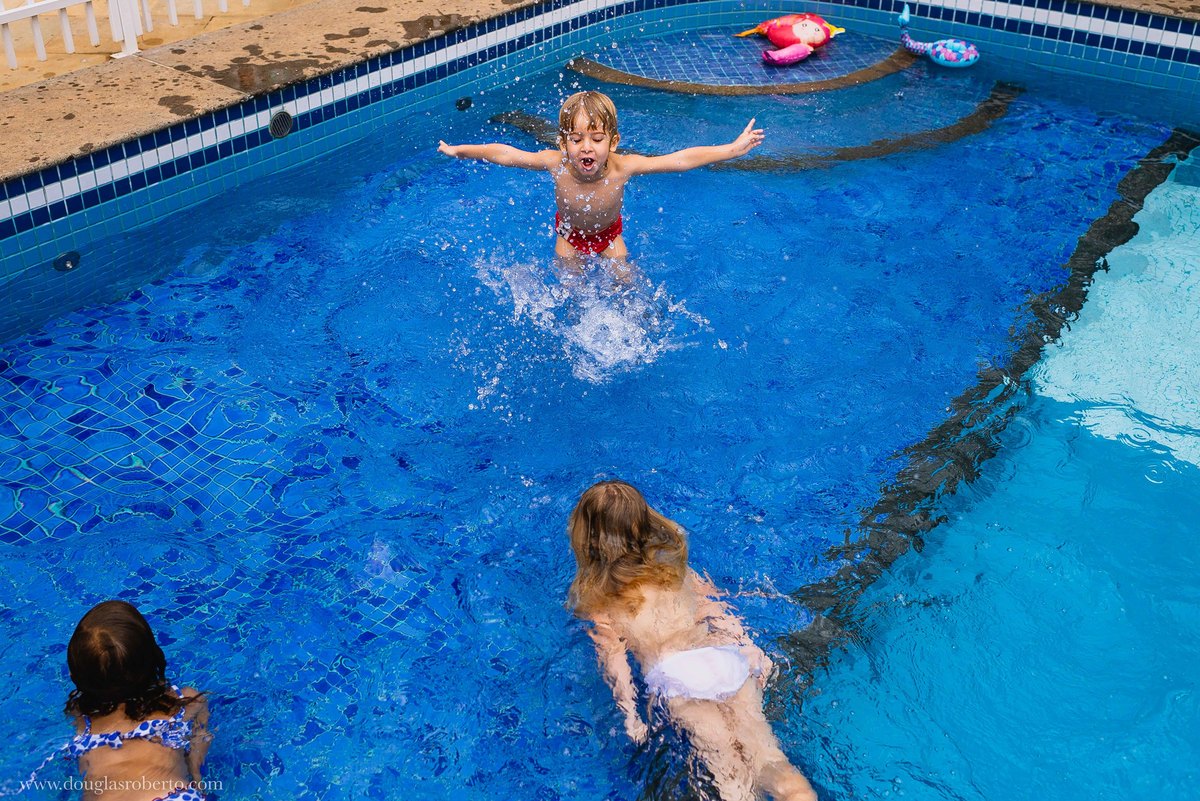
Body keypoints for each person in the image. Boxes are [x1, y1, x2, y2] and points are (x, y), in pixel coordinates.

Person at [566, 480, 817, 801]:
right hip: (723, 661)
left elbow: (614, 662)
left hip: (678, 675)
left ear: (588, 540)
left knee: (730, 775)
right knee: (770, 758)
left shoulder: (599, 602)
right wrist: (750, 648)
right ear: (642, 522)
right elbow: (717, 609)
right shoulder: (675, 571)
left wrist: (631, 716)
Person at [438, 90, 764, 263]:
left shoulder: (624, 167)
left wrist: (730, 150)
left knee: (627, 283)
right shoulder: (556, 163)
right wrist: (461, 150)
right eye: (576, 139)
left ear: (613, 142)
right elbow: (506, 153)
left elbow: (679, 160)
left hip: (609, 235)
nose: (585, 148)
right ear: (562, 143)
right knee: (570, 292)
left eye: (596, 138)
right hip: (569, 235)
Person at [64, 601, 210, 801]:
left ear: (75, 676)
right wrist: (196, 778)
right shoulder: (187, 701)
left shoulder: (82, 718)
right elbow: (197, 755)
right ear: (153, 659)